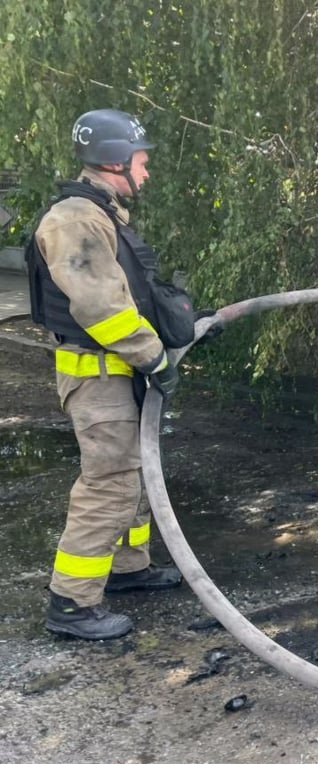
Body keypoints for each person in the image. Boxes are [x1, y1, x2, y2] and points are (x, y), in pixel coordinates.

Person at [26, 109, 183, 641]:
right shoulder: (76, 220)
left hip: (117, 374)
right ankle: (71, 604)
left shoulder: (100, 215)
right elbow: (101, 308)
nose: (147, 172)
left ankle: (127, 569)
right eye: (142, 161)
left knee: (132, 475)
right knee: (108, 484)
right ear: (115, 160)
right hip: (99, 377)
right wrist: (153, 356)